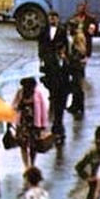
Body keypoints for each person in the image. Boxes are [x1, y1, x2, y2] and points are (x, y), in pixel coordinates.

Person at [38, 11, 70, 143]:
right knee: (56, 104)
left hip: (61, 80)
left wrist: (63, 55)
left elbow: (66, 46)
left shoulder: (62, 32)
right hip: (49, 66)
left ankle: (59, 130)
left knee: (59, 108)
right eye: (50, 18)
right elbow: (41, 45)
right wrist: (42, 58)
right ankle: (58, 130)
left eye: (54, 18)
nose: (52, 20)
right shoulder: (44, 31)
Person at [12, 77, 49, 169]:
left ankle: (32, 163)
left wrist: (43, 124)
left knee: (33, 145)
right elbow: (13, 105)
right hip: (22, 123)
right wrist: (18, 106)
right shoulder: (20, 93)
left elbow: (43, 109)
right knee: (23, 144)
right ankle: (26, 165)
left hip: (34, 123)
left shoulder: (37, 94)